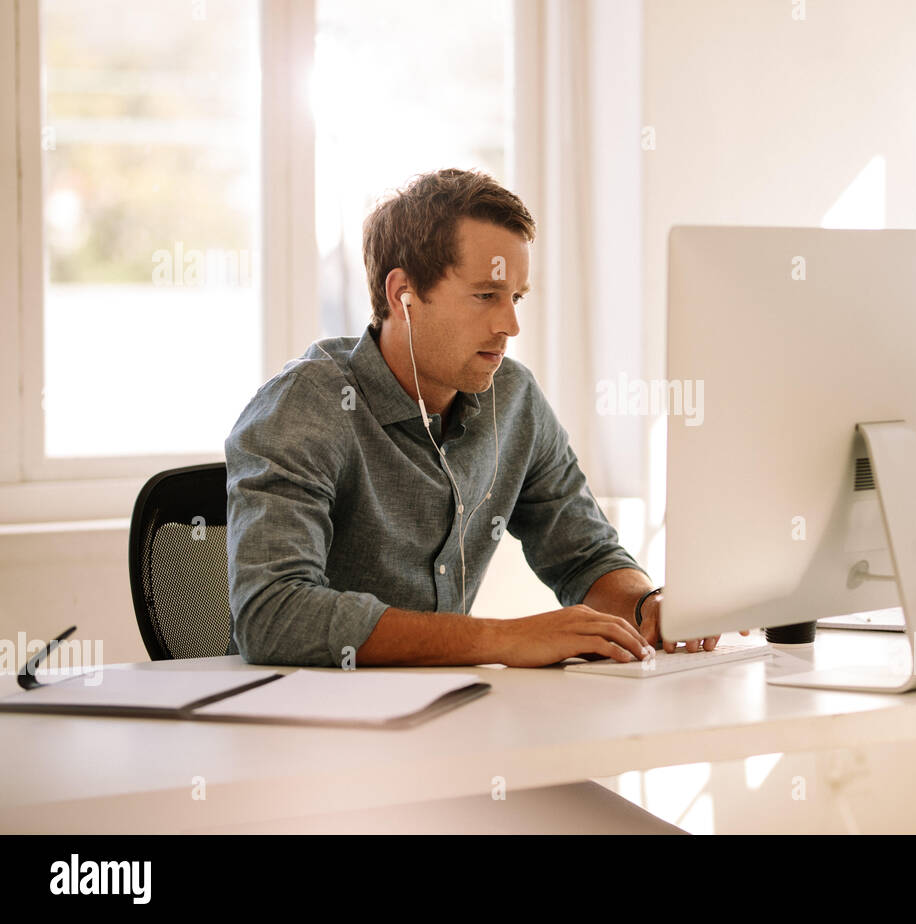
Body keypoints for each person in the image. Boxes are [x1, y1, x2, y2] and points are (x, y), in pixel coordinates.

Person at [224, 168, 729, 667]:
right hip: (303, 729)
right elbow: (273, 614)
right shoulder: (305, 406)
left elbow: (586, 555)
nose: (509, 324)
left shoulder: (512, 397)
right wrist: (501, 639)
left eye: (516, 298)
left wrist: (648, 605)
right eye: (486, 295)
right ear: (404, 295)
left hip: (443, 718)